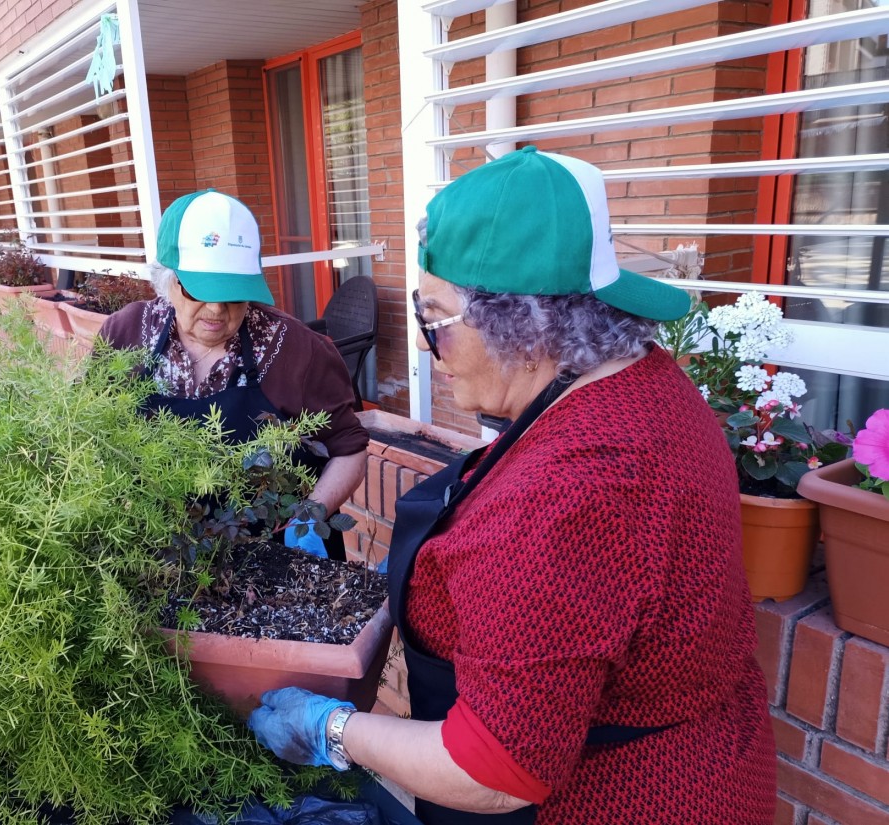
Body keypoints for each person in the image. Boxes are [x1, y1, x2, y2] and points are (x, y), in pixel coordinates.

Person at [248, 147, 777, 823]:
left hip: (618, 800)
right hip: (715, 757)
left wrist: (331, 728)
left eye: (434, 320)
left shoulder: (566, 496)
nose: (426, 349)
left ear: (526, 327)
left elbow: (495, 769)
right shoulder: (639, 378)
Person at [98, 189, 368, 559]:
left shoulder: (297, 350)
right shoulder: (125, 333)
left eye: (233, 294)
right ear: (167, 280)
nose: (216, 309)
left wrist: (307, 520)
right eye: (199, 291)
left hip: (275, 555)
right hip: (158, 553)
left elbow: (349, 450)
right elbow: (91, 433)